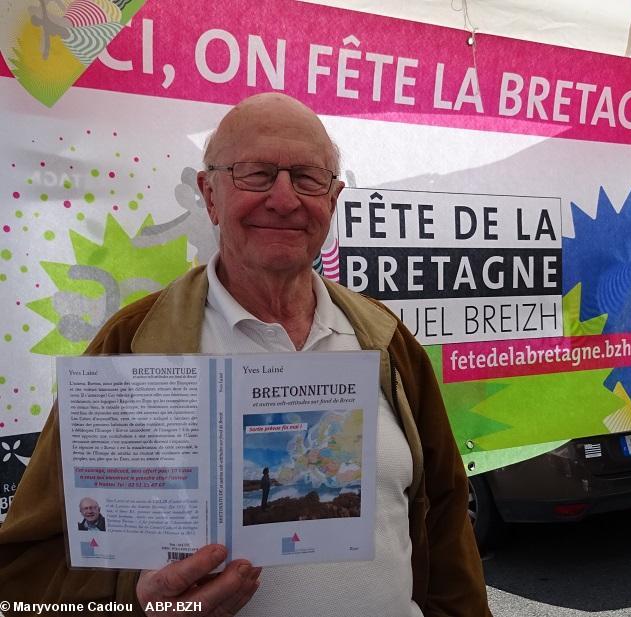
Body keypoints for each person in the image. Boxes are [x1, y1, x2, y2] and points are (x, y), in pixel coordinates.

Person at [0, 92, 491, 617]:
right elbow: (27, 568)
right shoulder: (132, 343)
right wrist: (142, 605)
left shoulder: (384, 337)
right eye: (255, 174)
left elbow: (443, 516)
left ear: (333, 199)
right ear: (209, 195)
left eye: (307, 177)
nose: (284, 199)